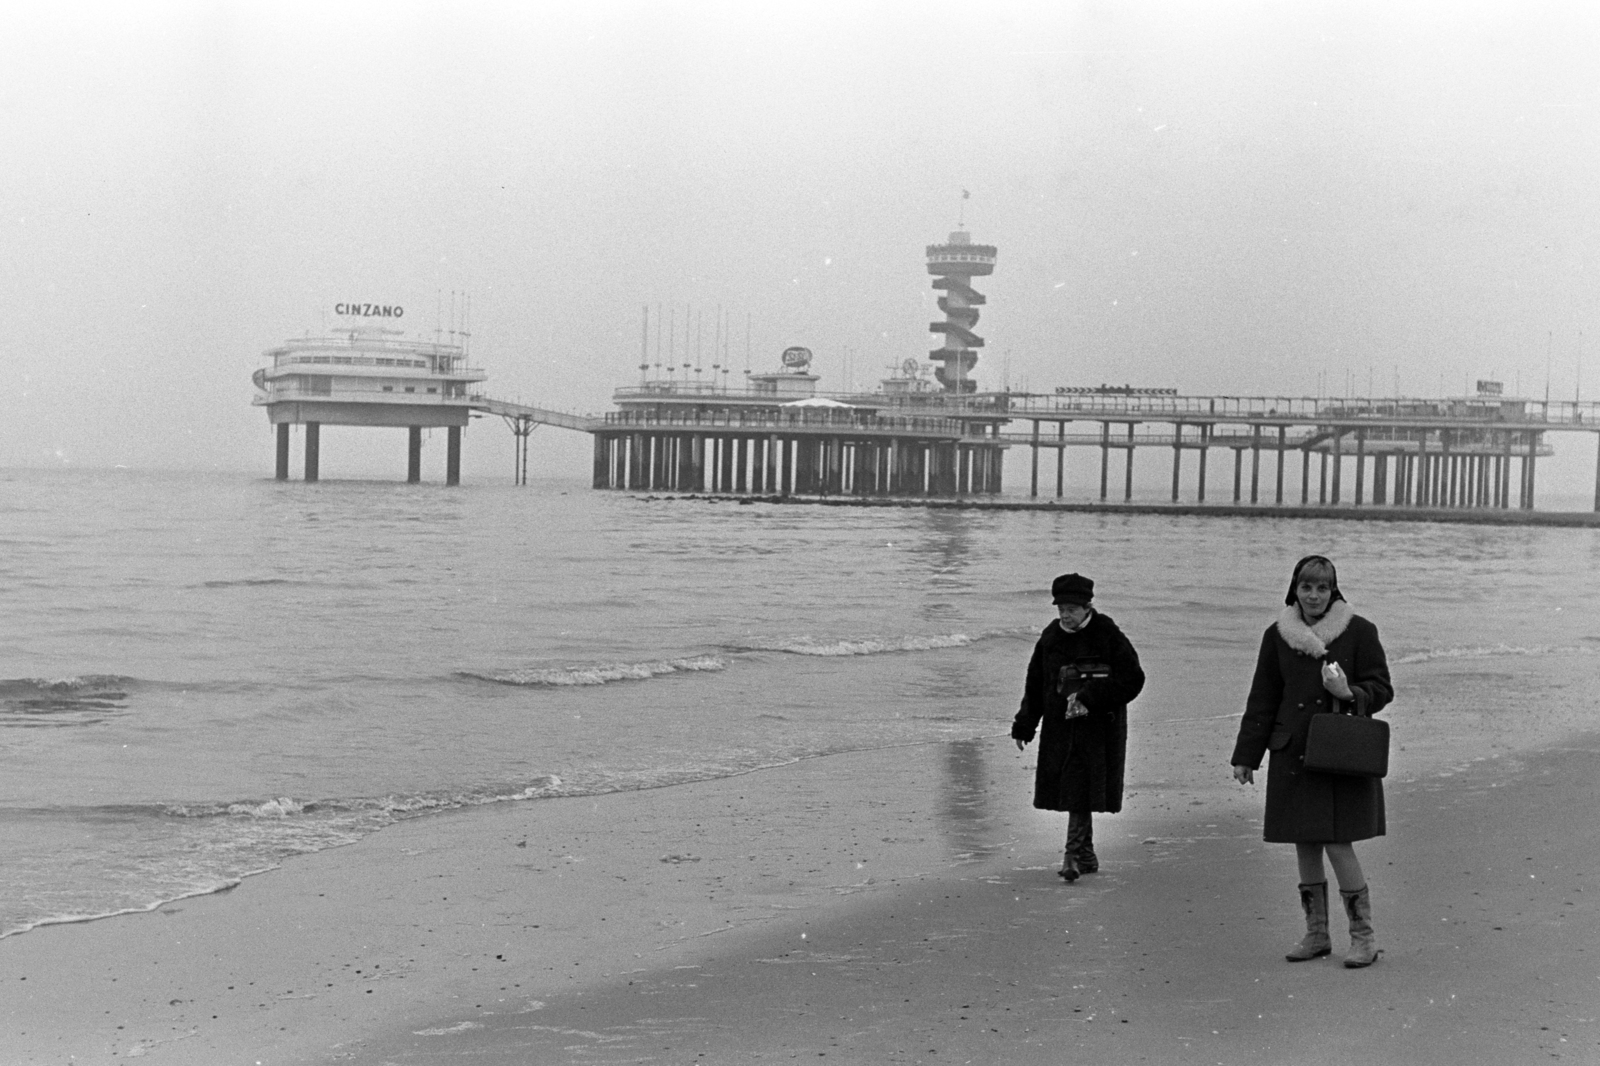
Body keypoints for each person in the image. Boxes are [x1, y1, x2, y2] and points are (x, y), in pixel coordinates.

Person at [1231, 555, 1394, 968]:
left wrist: (1348, 692)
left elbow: (1382, 688)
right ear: (1295, 589)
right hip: (1293, 753)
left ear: (1333, 590)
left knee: (1338, 843)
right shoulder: (1277, 636)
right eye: (1306, 587)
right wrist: (1246, 757)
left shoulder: (1359, 631)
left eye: (1322, 588)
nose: (1314, 595)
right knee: (1304, 842)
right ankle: (1317, 934)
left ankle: (1364, 938)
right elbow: (1262, 699)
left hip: (1339, 754)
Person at [1012, 573, 1145, 882]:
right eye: (1061, 609)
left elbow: (1133, 679)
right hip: (1059, 728)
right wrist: (1024, 725)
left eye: (1071, 609)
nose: (1065, 615)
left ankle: (1071, 855)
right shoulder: (1051, 636)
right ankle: (1085, 855)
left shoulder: (1107, 633)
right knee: (1076, 790)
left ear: (1087, 607)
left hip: (1098, 728)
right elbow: (1036, 684)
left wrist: (1090, 696)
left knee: (1079, 789)